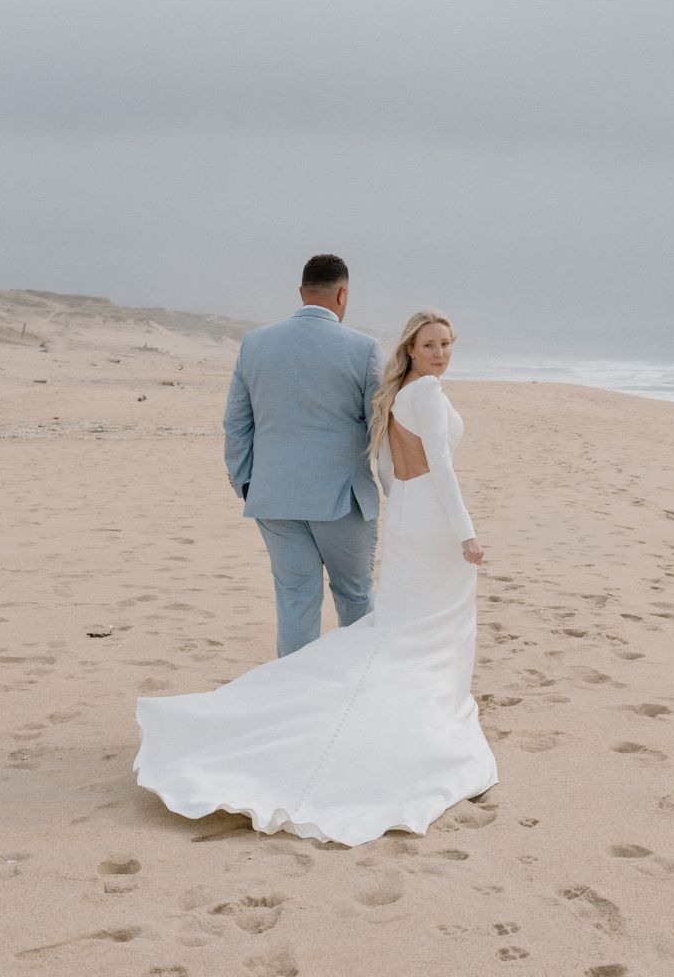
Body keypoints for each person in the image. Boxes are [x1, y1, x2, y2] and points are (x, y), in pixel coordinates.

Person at [133, 309, 498, 847]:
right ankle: (427, 709)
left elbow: (386, 471)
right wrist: (463, 532)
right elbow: (439, 467)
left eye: (447, 343)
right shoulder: (420, 392)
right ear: (411, 348)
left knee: (378, 620)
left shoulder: (394, 391)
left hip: (388, 514)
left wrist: (396, 520)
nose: (441, 352)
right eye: (431, 344)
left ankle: (417, 700)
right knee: (409, 620)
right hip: (426, 520)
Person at [222, 253, 384, 657]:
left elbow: (237, 424)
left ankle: (294, 700)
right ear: (343, 294)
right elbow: (378, 426)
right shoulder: (364, 349)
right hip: (343, 498)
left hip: (273, 495)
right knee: (356, 597)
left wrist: (246, 483)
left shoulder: (254, 343)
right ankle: (359, 685)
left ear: (301, 292)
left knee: (296, 602)